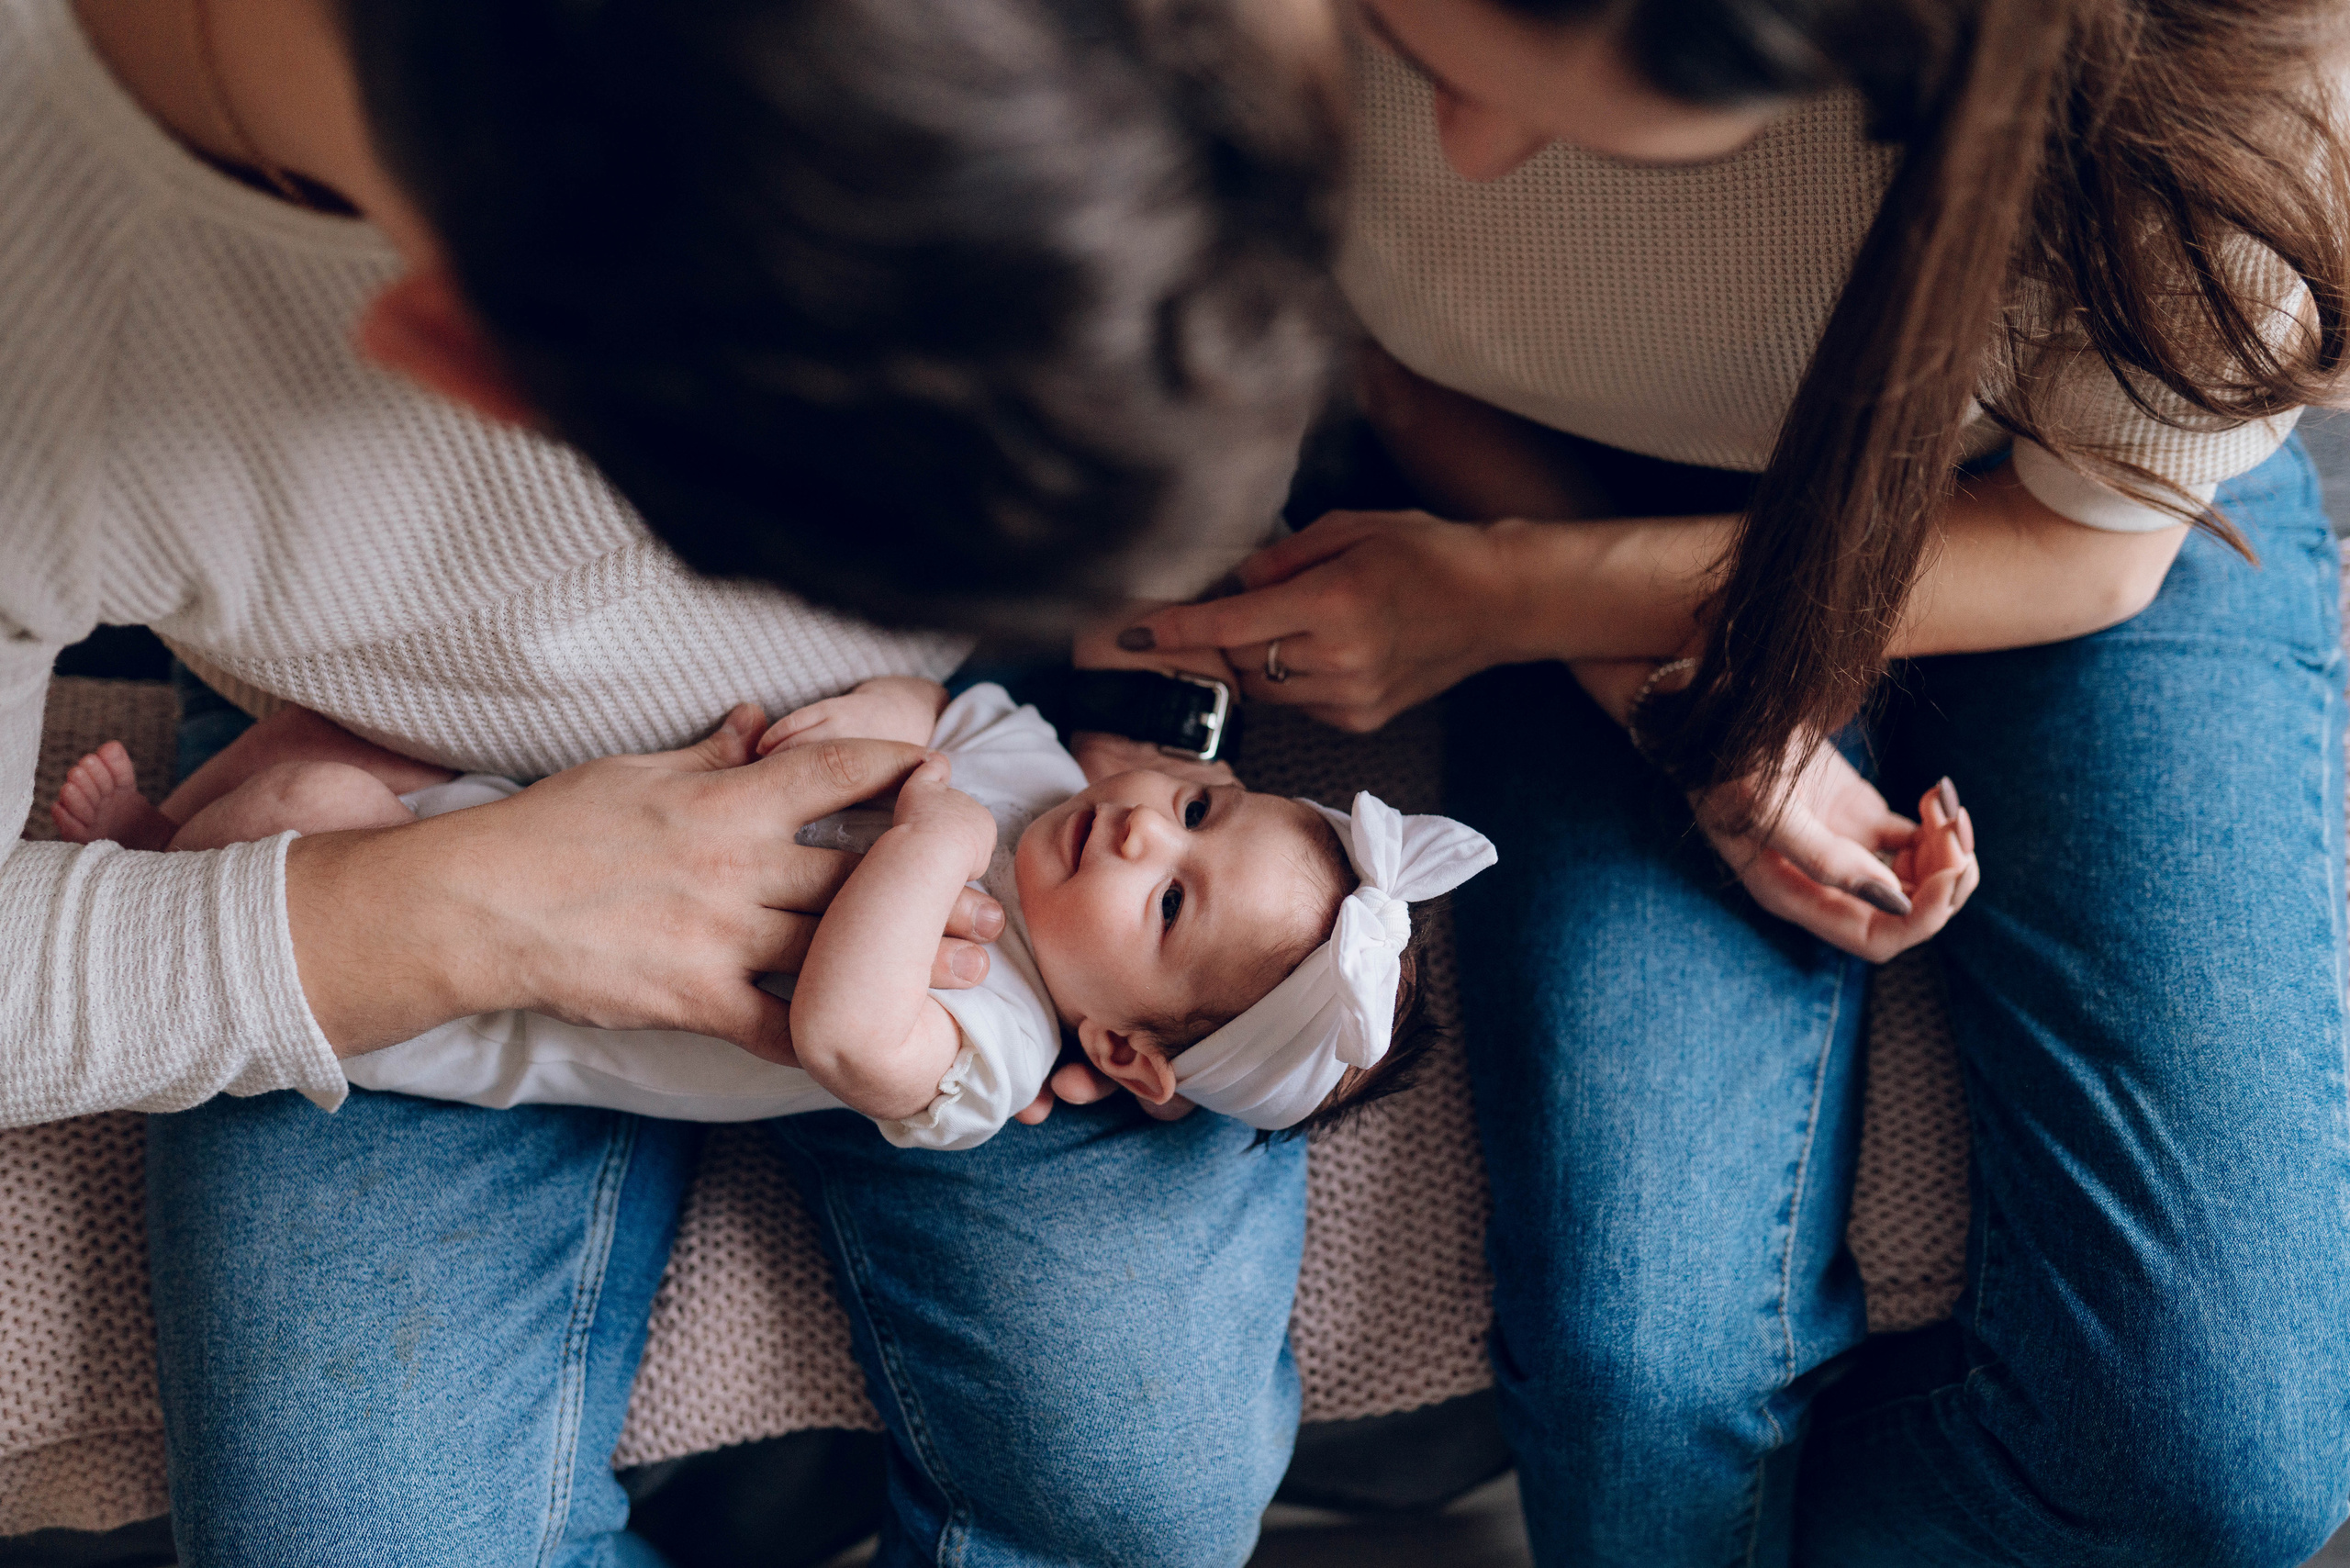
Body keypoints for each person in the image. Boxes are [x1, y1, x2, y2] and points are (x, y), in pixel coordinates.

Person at [0, 0, 1348, 1562]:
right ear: (461, 371)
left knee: (1147, 1493)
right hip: (403, 801)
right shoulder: (51, 312)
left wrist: (1136, 737)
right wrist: (454, 904)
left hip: (980, 908)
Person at [1118, 0, 2350, 1562]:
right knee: (1642, 1389)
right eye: (1406, 44)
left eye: (1541, 104)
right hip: (1549, 476)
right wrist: (1667, 705)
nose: (1462, 153)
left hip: (2064, 528)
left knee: (2219, 1469)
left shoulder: (2224, 80)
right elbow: (1352, 336)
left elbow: (2085, 550)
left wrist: (1519, 607)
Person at [52, 677, 1503, 1138]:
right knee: (348, 727)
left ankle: (151, 873)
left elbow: (847, 1025)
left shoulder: (992, 1048)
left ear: (1124, 1051)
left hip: (464, 995)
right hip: (533, 810)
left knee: (312, 820)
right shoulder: (1046, 772)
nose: (1138, 827)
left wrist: (934, 831)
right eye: (1200, 808)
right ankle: (176, 835)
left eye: (1170, 903)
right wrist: (824, 724)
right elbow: (937, 703)